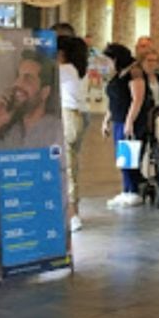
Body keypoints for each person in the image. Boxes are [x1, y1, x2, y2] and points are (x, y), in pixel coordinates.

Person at [102, 43, 151, 208]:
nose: (106, 63)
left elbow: (138, 99)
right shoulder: (118, 75)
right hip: (118, 120)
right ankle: (128, 189)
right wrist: (106, 119)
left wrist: (130, 121)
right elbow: (114, 99)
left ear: (116, 58)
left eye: (108, 59)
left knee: (128, 157)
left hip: (131, 122)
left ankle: (133, 191)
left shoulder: (134, 72)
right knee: (122, 158)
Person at [0, 50, 64, 150]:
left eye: (28, 79)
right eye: (18, 77)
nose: (17, 84)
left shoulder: (56, 131)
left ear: (44, 92)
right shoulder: (12, 131)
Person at [58, 36, 89, 231]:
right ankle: (72, 211)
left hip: (67, 116)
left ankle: (73, 214)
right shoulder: (80, 69)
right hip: (78, 116)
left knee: (68, 167)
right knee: (72, 165)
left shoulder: (64, 70)